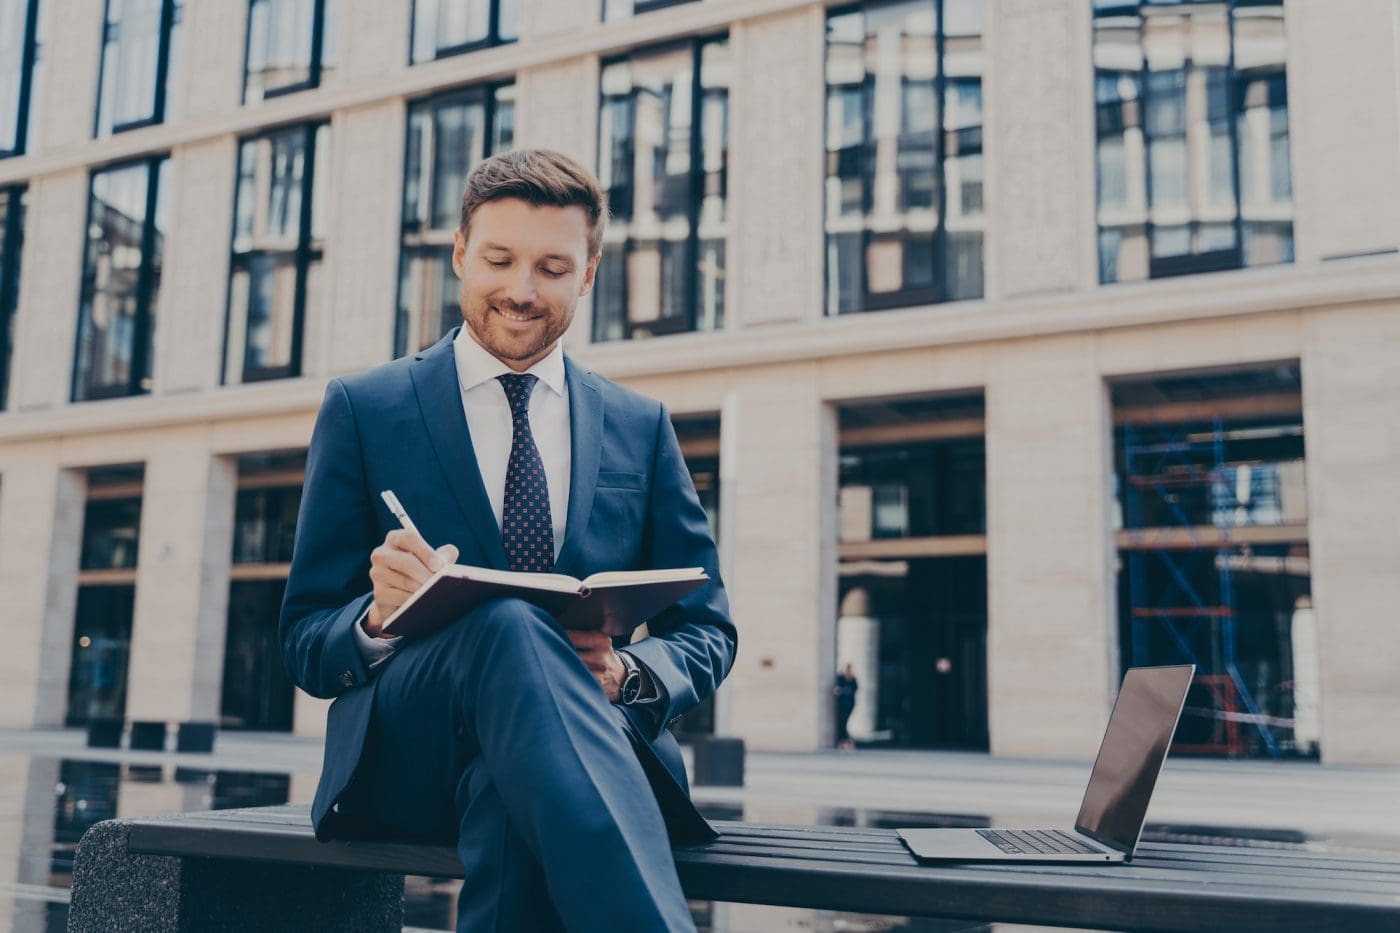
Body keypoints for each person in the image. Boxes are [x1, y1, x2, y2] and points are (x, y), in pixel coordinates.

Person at [279, 149, 737, 932]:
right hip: (411, 758)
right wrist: (374, 618)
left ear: (588, 273)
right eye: (499, 260)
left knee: (509, 785)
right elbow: (303, 638)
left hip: (588, 745)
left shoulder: (639, 426)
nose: (521, 291)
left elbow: (709, 627)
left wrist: (628, 671)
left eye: (552, 267)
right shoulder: (365, 407)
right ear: (460, 253)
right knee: (507, 622)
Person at [834, 662, 859, 751]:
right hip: (842, 704)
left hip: (849, 704)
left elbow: (855, 689)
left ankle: (846, 741)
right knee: (842, 723)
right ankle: (844, 741)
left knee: (844, 722)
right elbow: (837, 689)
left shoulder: (853, 679)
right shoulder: (841, 678)